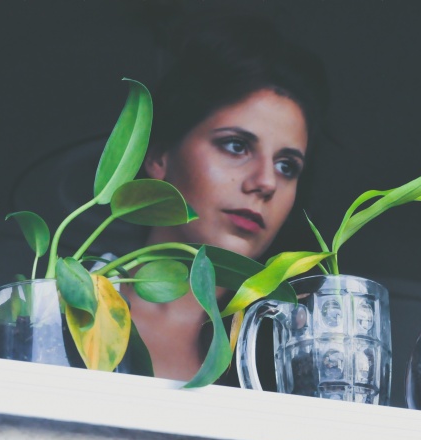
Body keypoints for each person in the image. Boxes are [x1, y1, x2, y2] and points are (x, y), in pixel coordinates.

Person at [120, 15, 329, 381]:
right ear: (159, 156)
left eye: (286, 166)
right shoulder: (57, 311)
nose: (266, 182)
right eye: (236, 146)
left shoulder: (293, 352)